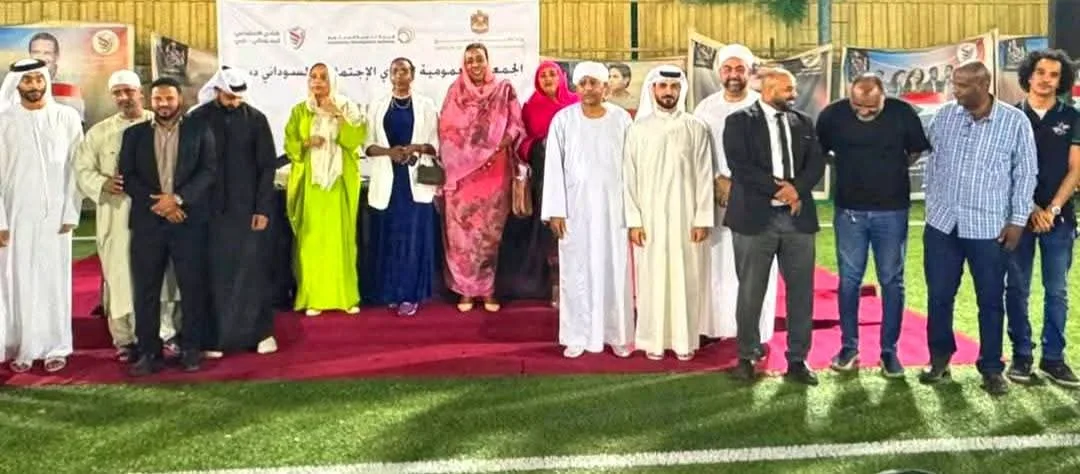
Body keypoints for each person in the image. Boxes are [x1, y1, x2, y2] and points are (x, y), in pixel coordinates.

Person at [919, 61, 1038, 396]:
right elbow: (931, 161)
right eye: (954, 84)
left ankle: (991, 368)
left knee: (990, 299)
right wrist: (932, 205)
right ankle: (939, 358)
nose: (955, 91)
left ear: (984, 85)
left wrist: (1018, 220)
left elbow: (1025, 173)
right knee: (939, 296)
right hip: (942, 224)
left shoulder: (1014, 121)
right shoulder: (944, 116)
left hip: (989, 227)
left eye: (962, 85)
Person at [815, 73, 931, 377]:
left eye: (871, 107)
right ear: (849, 95)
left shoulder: (902, 113)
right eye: (858, 105)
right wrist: (847, 167)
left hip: (892, 210)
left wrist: (891, 168)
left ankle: (889, 352)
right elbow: (820, 151)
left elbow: (916, 149)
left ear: (884, 96)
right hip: (849, 210)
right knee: (849, 280)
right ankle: (849, 348)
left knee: (892, 280)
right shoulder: (832, 115)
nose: (864, 111)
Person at [724, 68, 825, 385]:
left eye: (793, 89)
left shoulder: (803, 122)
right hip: (754, 219)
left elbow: (816, 163)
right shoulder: (739, 122)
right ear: (768, 90)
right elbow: (740, 166)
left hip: (798, 219)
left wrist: (797, 190)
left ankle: (798, 360)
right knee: (751, 291)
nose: (794, 95)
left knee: (801, 293)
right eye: (788, 89)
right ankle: (747, 357)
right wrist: (780, 190)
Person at [75, 69, 183, 363]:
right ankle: (124, 339)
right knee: (120, 275)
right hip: (117, 215)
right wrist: (103, 184)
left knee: (163, 275)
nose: (124, 98)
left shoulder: (159, 124)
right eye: (118, 93)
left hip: (156, 214)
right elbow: (82, 169)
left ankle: (166, 333)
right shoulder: (99, 133)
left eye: (129, 91)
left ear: (141, 93)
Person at [119, 77, 217, 376]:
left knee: (192, 287)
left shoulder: (199, 129)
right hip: (148, 224)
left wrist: (177, 200)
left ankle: (191, 349)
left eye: (169, 99)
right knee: (146, 290)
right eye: (158, 99)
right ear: (150, 101)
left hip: (188, 221)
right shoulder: (134, 135)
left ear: (180, 100)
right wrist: (161, 204)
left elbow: (208, 171)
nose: (163, 104)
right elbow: (128, 176)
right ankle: (149, 352)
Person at [542, 61, 634, 358]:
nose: (588, 89)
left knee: (615, 270)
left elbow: (632, 168)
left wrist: (633, 213)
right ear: (576, 88)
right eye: (583, 83)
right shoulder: (563, 120)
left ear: (605, 87)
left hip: (614, 211)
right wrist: (556, 210)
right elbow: (553, 167)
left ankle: (617, 334)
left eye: (594, 83)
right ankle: (577, 336)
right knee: (576, 272)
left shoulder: (621, 120)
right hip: (575, 210)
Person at [692, 43, 779, 348]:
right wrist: (717, 179)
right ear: (719, 72)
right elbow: (697, 151)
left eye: (739, 69)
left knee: (755, 265)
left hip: (755, 198)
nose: (733, 74)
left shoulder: (765, 106)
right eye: (727, 69)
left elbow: (774, 154)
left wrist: (739, 184)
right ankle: (712, 326)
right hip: (714, 197)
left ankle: (754, 331)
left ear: (750, 72)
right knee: (714, 262)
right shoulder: (705, 109)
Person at [623, 65, 713, 361]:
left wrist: (702, 218)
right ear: (652, 89)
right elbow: (628, 178)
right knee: (651, 279)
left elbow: (704, 175)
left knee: (686, 279)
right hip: (649, 220)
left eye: (674, 87)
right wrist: (634, 221)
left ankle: (684, 341)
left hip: (686, 218)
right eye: (662, 86)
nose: (668, 92)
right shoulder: (637, 129)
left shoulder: (695, 127)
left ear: (681, 90)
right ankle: (653, 342)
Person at [188, 67, 279, 356]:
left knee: (251, 271)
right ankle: (213, 339)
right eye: (229, 97)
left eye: (239, 98)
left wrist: (262, 208)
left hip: (246, 211)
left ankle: (260, 334)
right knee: (211, 274)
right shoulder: (197, 119)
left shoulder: (256, 120)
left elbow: (266, 168)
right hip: (207, 212)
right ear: (217, 91)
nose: (234, 102)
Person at [0, 58, 83, 373]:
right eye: (27, 80)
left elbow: (77, 167)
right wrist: (0, 221)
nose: (33, 85)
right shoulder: (4, 121)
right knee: (17, 280)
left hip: (56, 217)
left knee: (54, 281)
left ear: (46, 80)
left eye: (38, 79)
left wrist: (71, 211)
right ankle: (23, 347)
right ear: (17, 84)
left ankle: (55, 346)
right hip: (16, 214)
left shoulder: (66, 117)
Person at [1005, 49, 1080, 388]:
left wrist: (1052, 210)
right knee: (1016, 288)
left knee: (1057, 291)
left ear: (1061, 80)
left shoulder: (1073, 117)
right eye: (1040, 72)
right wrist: (1030, 209)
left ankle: (1053, 358)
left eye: (1054, 74)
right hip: (1017, 219)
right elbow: (1004, 169)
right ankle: (1021, 356)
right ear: (1028, 75)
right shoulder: (1010, 116)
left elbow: (1076, 169)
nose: (1046, 80)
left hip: (1058, 220)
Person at [438, 43, 525, 313]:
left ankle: (487, 290)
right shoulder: (455, 92)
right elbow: (447, 132)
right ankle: (465, 290)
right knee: (461, 235)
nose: (475, 65)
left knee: (489, 235)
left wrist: (499, 144)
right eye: (470, 60)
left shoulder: (503, 89)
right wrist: (470, 153)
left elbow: (516, 125)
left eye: (479, 59)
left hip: (494, 171)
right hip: (462, 177)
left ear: (488, 61)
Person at [283, 62, 367, 316]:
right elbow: (290, 144)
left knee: (341, 241)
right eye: (314, 77)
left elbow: (355, 139)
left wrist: (337, 114)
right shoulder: (300, 110)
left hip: (339, 183)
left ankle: (345, 297)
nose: (318, 82)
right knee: (312, 242)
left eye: (323, 77)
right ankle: (313, 298)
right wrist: (306, 142)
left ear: (333, 81)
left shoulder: (347, 107)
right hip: (312, 185)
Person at [496, 60, 579, 306]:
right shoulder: (531, 106)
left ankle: (578, 286)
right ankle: (555, 286)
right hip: (545, 182)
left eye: (553, 74)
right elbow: (521, 140)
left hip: (577, 181)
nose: (548, 79)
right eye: (543, 76)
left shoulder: (576, 103)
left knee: (578, 233)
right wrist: (540, 145)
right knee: (550, 234)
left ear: (562, 77)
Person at [364, 57, 440, 316]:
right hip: (387, 182)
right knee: (390, 238)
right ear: (390, 75)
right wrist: (390, 152)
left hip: (416, 183)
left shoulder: (426, 105)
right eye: (395, 70)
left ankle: (411, 294)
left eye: (404, 70)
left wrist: (415, 148)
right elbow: (367, 146)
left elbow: (436, 145)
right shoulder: (377, 105)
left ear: (413, 74)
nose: (399, 75)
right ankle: (391, 292)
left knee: (413, 239)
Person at [28, 32, 85, 122]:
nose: (41, 58)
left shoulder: (70, 88)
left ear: (56, 56)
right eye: (36, 52)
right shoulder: (18, 85)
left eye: (47, 53)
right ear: (30, 55)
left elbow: (77, 125)